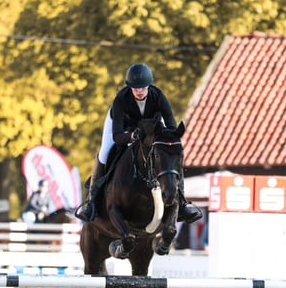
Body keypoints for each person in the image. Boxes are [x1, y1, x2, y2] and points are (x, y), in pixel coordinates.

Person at [75, 62, 201, 224]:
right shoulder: (120, 100)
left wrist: (168, 139)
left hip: (151, 127)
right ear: (130, 87)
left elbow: (170, 124)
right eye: (135, 88)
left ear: (149, 86)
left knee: (169, 154)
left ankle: (182, 203)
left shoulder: (158, 96)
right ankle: (91, 202)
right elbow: (117, 136)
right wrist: (132, 137)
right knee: (105, 153)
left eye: (143, 87)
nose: (139, 91)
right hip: (124, 129)